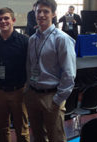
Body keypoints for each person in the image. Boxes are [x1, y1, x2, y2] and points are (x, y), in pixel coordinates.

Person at [26, 0, 76, 141]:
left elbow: (69, 74)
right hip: (33, 95)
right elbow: (30, 67)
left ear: (54, 14)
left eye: (46, 11)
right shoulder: (32, 40)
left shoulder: (62, 39)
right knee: (38, 137)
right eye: (38, 11)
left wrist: (58, 100)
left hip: (51, 97)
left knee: (56, 138)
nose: (41, 14)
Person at [0, 7, 30, 142]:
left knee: (21, 130)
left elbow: (31, 66)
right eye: (0, 19)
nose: (3, 21)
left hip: (19, 92)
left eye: (6, 18)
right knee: (2, 129)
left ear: (13, 20)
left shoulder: (25, 41)